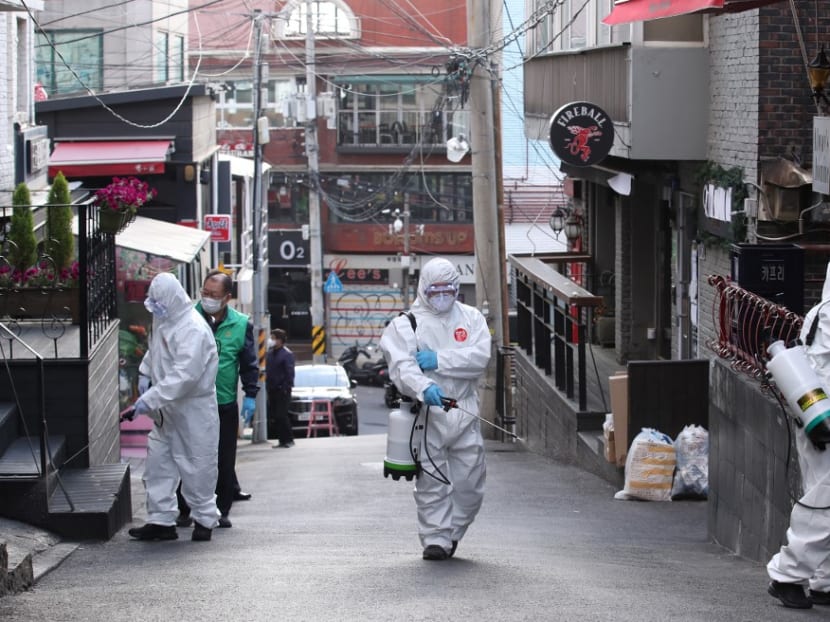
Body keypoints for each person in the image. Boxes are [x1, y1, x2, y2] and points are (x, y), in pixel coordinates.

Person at [379, 257, 491, 561]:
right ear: (423, 288)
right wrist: (423, 387)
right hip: (427, 414)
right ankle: (436, 540)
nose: (442, 295)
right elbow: (401, 366)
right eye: (435, 290)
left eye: (448, 289)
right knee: (431, 481)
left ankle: (453, 531)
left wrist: (439, 360)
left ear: (457, 287)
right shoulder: (405, 324)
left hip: (464, 409)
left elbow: (479, 358)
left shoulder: (471, 319)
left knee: (471, 484)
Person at [127, 272, 220, 542]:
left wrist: (150, 398)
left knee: (197, 464)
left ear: (173, 298)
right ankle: (161, 520)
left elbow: (185, 375)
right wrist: (145, 373)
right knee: (158, 465)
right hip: (166, 410)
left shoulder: (193, 328)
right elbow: (154, 351)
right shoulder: (165, 320)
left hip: (193, 410)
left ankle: (204, 519)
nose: (156, 307)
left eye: (160, 301)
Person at [174, 270, 259, 530]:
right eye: (204, 293)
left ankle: (221, 510)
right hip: (190, 403)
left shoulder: (241, 323)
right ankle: (184, 508)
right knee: (187, 457)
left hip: (223, 403)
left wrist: (251, 395)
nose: (207, 299)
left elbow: (248, 364)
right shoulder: (187, 318)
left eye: (214, 295)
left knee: (223, 460)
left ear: (227, 298)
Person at [767, 262, 830, 609]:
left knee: (823, 498)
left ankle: (822, 579)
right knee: (824, 504)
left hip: (814, 416)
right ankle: (787, 574)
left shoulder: (821, 312)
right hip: (823, 418)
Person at [267, 328, 296, 448]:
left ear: (280, 340)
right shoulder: (270, 353)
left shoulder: (286, 354)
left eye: (274, 338)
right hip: (272, 389)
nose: (271, 341)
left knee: (281, 415)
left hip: (282, 390)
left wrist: (285, 387)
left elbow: (290, 373)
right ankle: (281, 440)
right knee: (275, 416)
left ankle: (288, 439)